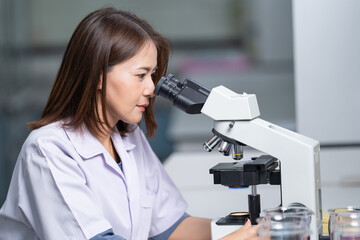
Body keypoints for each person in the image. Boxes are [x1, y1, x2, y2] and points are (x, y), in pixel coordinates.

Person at [0, 7, 259, 240]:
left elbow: (169, 228)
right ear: (98, 75)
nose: (151, 88)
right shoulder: (48, 150)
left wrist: (255, 229)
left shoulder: (128, 138)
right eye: (141, 75)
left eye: (153, 75)